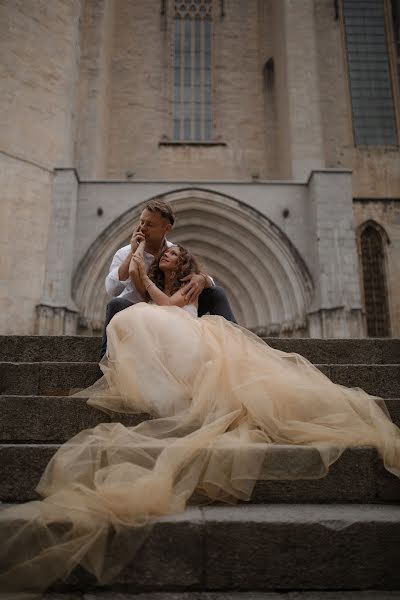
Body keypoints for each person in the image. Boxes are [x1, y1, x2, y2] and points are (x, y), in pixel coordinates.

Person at [1, 244, 400, 598]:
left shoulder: (194, 284)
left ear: (183, 259)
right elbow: (130, 294)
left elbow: (169, 306)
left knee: (144, 316)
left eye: (172, 253)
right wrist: (138, 274)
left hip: (193, 335)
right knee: (129, 316)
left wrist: (167, 280)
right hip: (174, 336)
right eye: (166, 255)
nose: (167, 256)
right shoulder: (149, 272)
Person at [100, 198, 236, 357]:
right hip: (140, 311)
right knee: (116, 304)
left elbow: (203, 278)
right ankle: (105, 359)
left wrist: (202, 279)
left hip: (176, 313)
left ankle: (234, 342)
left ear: (166, 228)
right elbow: (112, 289)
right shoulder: (124, 253)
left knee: (216, 292)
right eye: (141, 222)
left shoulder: (175, 252)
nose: (143, 228)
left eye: (149, 224)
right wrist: (134, 251)